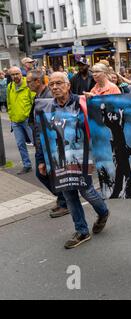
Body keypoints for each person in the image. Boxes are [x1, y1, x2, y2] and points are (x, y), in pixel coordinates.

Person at [44, 72, 110, 249]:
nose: (55, 87)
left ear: (68, 85)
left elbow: (105, 115)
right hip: (59, 158)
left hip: (82, 155)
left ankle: (103, 212)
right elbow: (41, 134)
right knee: (68, 193)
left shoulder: (82, 102)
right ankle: (81, 230)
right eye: (51, 84)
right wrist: (42, 159)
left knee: (86, 190)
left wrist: (94, 101)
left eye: (59, 83)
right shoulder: (47, 108)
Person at [26, 69, 69, 218]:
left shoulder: (49, 97)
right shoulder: (39, 96)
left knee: (48, 173)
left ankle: (65, 201)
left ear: (37, 81)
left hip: (48, 142)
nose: (27, 85)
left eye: (29, 82)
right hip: (41, 141)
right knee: (44, 174)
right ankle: (63, 198)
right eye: (52, 84)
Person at [6, 67, 34, 175]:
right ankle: (27, 165)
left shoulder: (28, 85)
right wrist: (11, 115)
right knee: (20, 144)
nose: (15, 76)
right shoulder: (10, 86)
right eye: (12, 75)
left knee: (36, 143)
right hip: (15, 121)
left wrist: (31, 117)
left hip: (27, 120)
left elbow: (33, 102)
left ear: (21, 74)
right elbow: (9, 102)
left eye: (17, 74)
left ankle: (45, 164)